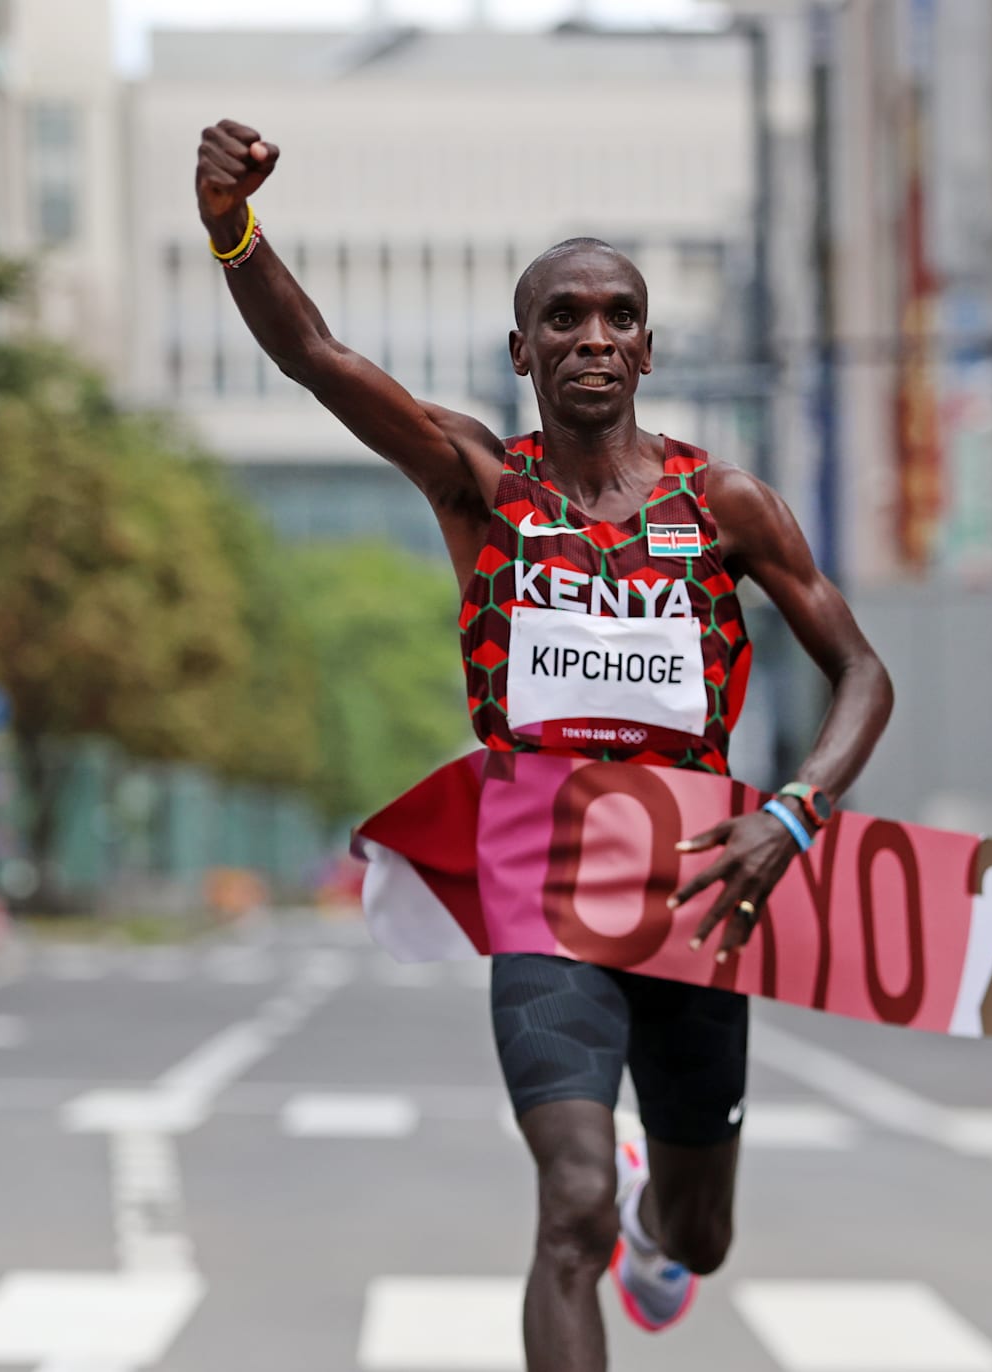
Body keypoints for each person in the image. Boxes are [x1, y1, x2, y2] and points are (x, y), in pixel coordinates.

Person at [196, 123, 894, 1370]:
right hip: (548, 890)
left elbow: (862, 674)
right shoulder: (477, 478)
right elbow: (315, 355)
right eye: (561, 318)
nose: (591, 337)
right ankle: (602, 1197)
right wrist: (230, 224)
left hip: (696, 893)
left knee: (698, 1228)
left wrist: (792, 812)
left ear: (645, 346)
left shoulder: (721, 504)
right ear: (521, 350)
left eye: (616, 316)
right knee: (564, 1204)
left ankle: (657, 1222)